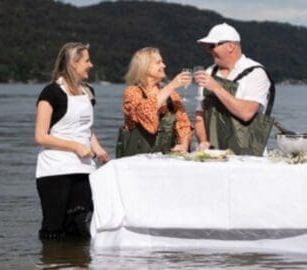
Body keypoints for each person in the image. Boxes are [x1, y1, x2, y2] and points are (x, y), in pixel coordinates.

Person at [34, 42, 109, 240]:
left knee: (82, 229)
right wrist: (75, 146)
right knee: (55, 230)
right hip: (55, 171)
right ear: (73, 64)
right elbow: (40, 137)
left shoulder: (88, 91)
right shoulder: (51, 93)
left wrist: (97, 148)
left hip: (84, 169)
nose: (91, 65)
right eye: (87, 60)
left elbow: (85, 128)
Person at [194, 23, 275, 156]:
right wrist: (203, 141)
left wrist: (216, 87)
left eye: (212, 46)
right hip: (214, 155)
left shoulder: (256, 73)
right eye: (207, 46)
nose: (208, 50)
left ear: (231, 46)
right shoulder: (209, 72)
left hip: (249, 155)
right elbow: (200, 115)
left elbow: (246, 113)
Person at [116, 47, 192, 157]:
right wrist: (171, 85)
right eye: (158, 62)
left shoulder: (172, 95)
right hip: (136, 159)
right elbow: (148, 118)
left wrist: (184, 146)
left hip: (167, 158)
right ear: (145, 67)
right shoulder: (132, 92)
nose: (164, 65)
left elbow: (184, 125)